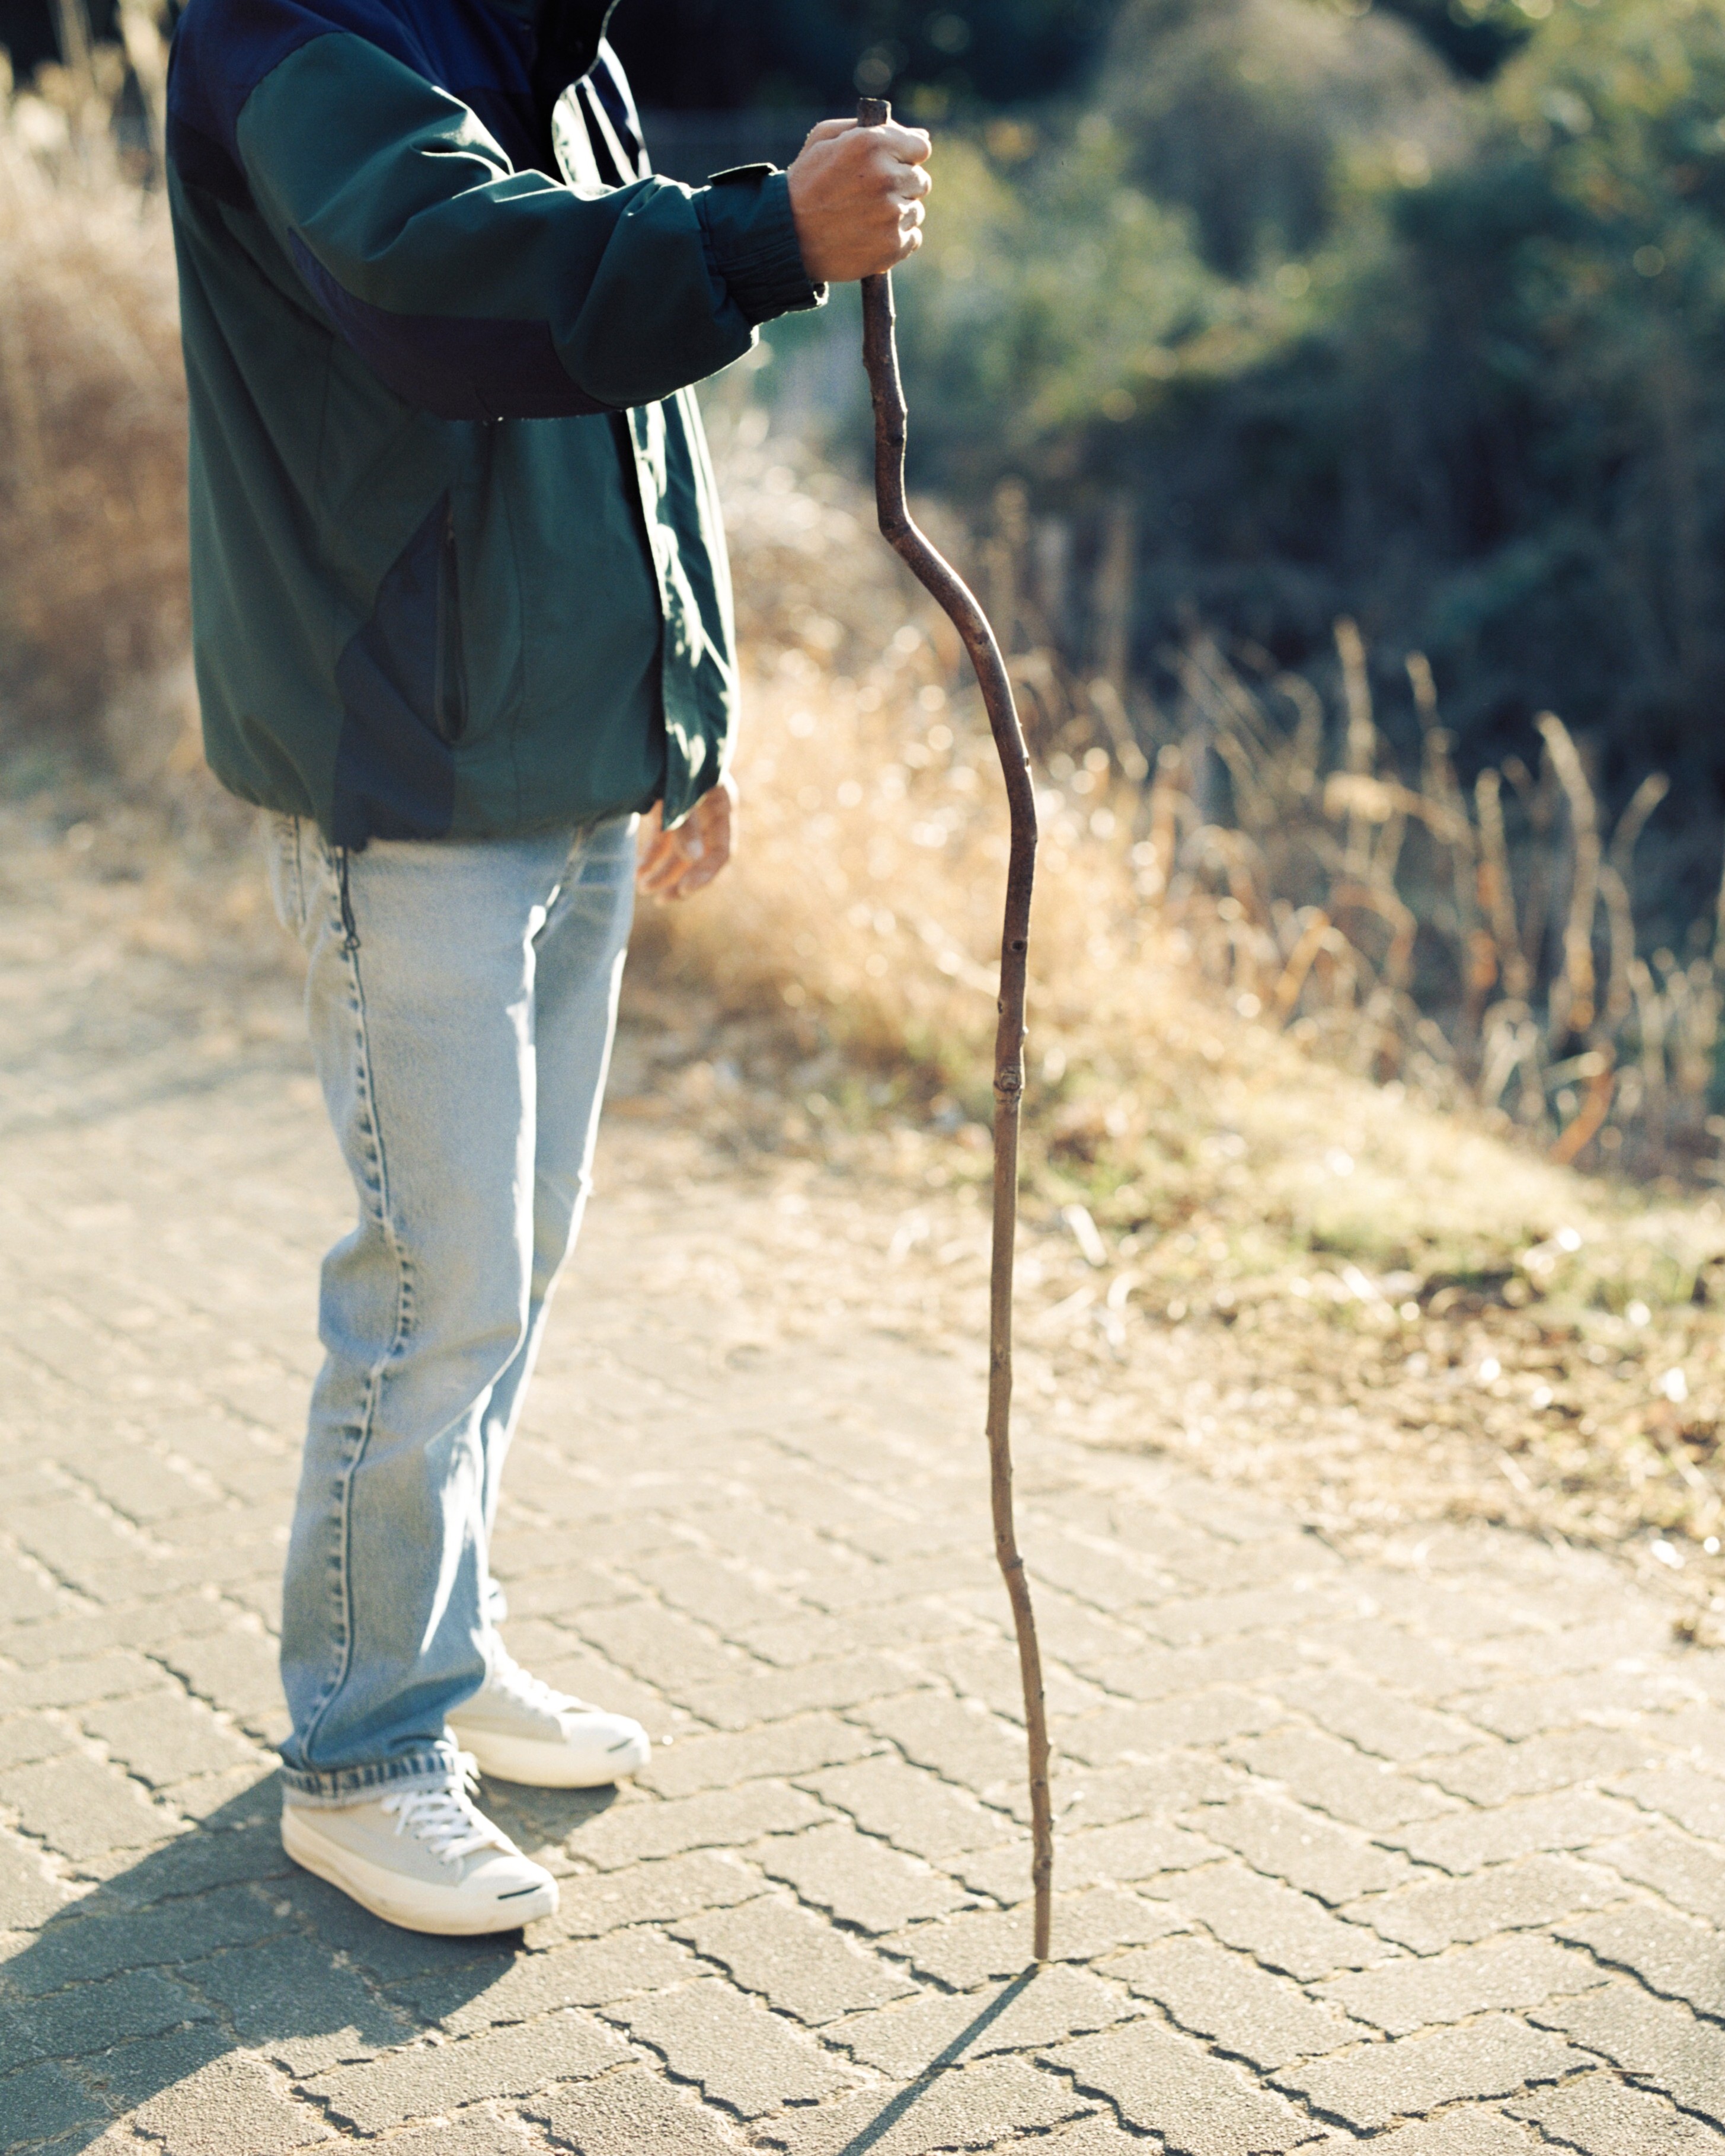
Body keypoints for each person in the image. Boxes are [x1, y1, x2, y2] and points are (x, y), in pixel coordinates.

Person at [164, 0, 931, 1936]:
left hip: (574, 749)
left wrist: (693, 707)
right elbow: (450, 284)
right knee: (441, 1286)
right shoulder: (297, 28)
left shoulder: (549, 41)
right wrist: (768, 237)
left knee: (517, 1257)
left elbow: (635, 416)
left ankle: (439, 1641)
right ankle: (361, 1753)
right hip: (407, 768)